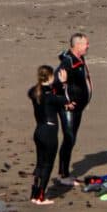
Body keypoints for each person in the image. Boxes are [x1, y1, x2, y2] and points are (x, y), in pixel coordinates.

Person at [53, 32, 93, 178]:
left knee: (71, 138)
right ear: (77, 46)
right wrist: (67, 102)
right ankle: (63, 175)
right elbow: (56, 82)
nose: (88, 46)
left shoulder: (79, 58)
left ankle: (65, 173)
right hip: (69, 108)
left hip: (78, 108)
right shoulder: (68, 62)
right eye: (86, 43)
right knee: (69, 138)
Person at [27, 64, 68, 204]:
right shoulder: (50, 96)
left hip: (38, 131)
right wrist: (63, 83)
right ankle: (41, 196)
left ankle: (34, 193)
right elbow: (64, 100)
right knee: (48, 165)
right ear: (50, 77)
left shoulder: (34, 92)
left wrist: (52, 85)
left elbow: (34, 90)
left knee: (39, 163)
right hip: (49, 132)